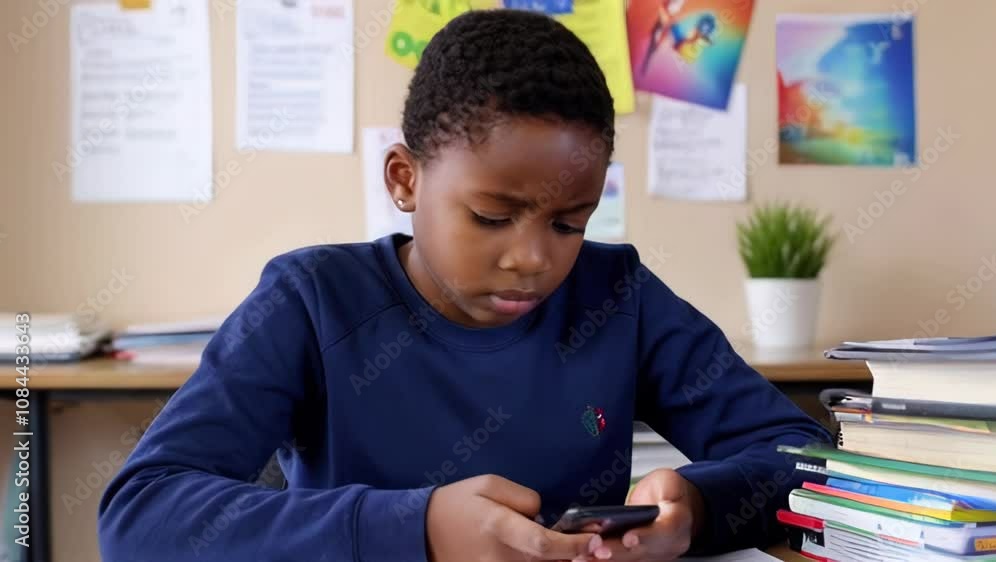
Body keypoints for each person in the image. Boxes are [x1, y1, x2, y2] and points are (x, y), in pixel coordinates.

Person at [98, 9, 830, 562]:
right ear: (405, 180)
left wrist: (699, 506)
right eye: (492, 216)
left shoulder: (619, 297)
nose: (532, 258)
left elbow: (800, 453)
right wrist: (416, 529)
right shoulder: (311, 299)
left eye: (570, 224)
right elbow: (140, 515)